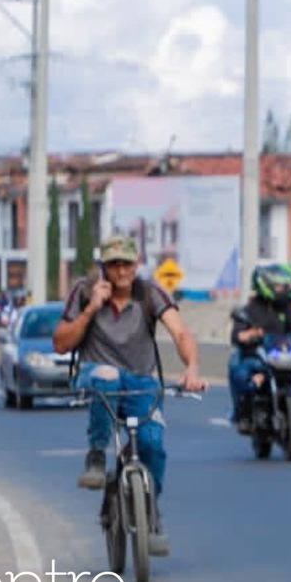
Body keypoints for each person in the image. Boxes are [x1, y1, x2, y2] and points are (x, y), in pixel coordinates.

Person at [54, 236, 206, 557]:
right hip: (98, 378)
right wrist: (92, 309)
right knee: (107, 375)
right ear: (103, 268)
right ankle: (96, 454)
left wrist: (192, 368)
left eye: (127, 264)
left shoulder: (150, 294)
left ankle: (149, 510)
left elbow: (180, 332)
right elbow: (61, 343)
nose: (121, 271)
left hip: (141, 383)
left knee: (151, 444)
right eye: (114, 265)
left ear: (136, 265)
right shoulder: (84, 291)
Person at [229, 264, 291, 432]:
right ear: (266, 286)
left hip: (285, 356)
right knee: (240, 373)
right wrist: (249, 334)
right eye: (279, 286)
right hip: (259, 358)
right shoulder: (251, 309)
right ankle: (242, 414)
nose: (283, 289)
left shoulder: (289, 307)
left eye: (284, 286)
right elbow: (237, 335)